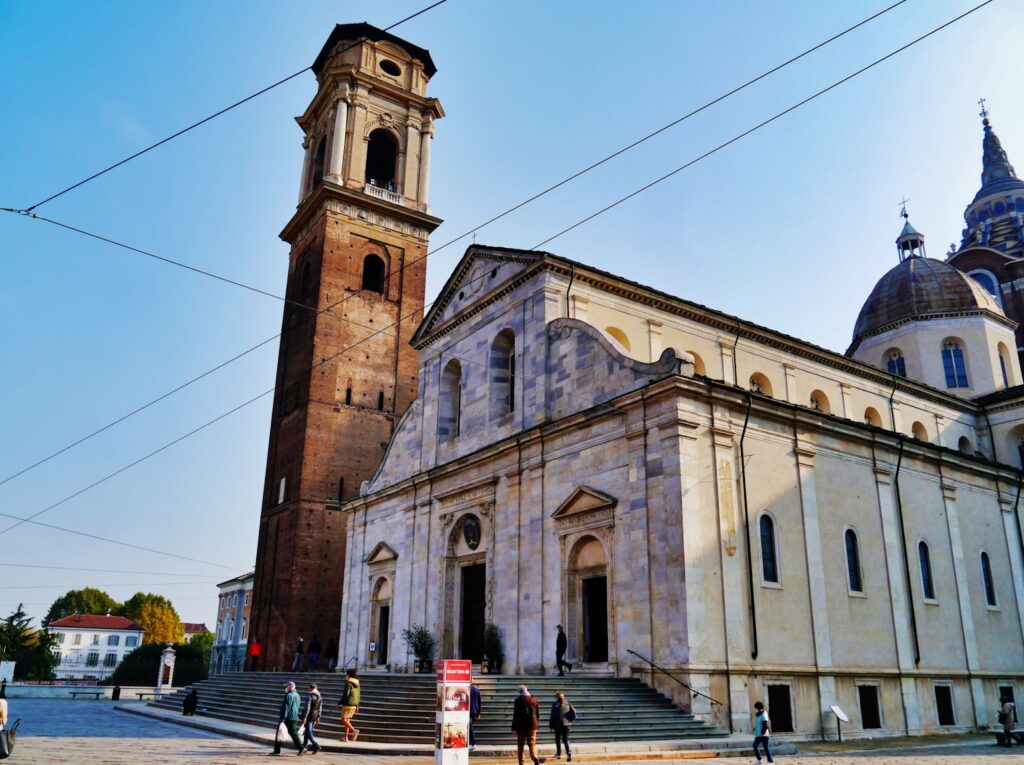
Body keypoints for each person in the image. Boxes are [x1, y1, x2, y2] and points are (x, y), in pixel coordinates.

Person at [272, 681, 304, 756]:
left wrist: (283, 717)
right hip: (294, 717)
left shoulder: (289, 695)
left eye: (287, 686)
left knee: (280, 733)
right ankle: (301, 748)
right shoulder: (297, 695)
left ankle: (277, 750)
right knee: (293, 734)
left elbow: (286, 707)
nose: (286, 688)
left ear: (290, 687)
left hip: (287, 718)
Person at [511, 684, 540, 765]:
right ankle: (535, 757)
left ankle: (521, 762)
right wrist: (536, 723)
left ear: (519, 691)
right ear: (527, 690)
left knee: (520, 745)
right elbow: (537, 713)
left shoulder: (518, 700)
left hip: (521, 726)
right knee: (532, 743)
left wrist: (513, 728)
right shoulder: (534, 699)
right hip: (532, 725)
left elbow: (515, 715)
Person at [337, 668, 361, 742]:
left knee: (343, 719)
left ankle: (354, 731)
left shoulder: (348, 683)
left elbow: (346, 695)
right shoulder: (357, 683)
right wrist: (357, 705)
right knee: (347, 720)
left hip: (348, 703)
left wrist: (339, 703)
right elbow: (358, 695)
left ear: (349, 675)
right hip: (354, 704)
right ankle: (345, 737)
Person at [549, 691, 573, 761]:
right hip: (566, 724)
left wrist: (551, 726)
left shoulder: (555, 704)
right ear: (563, 697)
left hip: (558, 724)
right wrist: (569, 721)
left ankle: (559, 754)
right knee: (565, 739)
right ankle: (568, 752)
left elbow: (552, 716)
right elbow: (572, 713)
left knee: (558, 739)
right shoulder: (568, 703)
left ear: (556, 697)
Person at [302, 683, 323, 754]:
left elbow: (307, 707)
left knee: (308, 732)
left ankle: (316, 745)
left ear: (311, 688)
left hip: (309, 716)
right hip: (315, 716)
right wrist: (318, 717)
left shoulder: (310, 696)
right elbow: (320, 707)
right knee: (307, 732)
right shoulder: (319, 696)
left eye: (309, 688)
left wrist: (305, 716)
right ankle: (304, 747)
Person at [469, 682, 482, 750]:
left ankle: (473, 743)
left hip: (468, 712)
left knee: (470, 728)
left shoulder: (466, 689)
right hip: (474, 711)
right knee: (469, 727)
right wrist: (478, 713)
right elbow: (480, 703)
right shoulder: (477, 690)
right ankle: (471, 743)